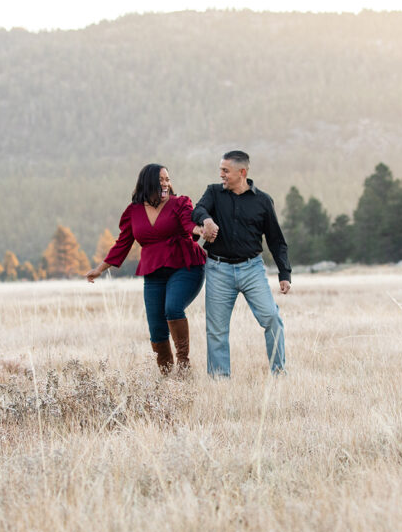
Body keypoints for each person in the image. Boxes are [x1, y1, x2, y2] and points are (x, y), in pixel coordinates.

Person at [86, 163, 207, 374]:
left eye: (167, 179)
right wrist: (99, 269)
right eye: (161, 180)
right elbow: (122, 244)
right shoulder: (133, 212)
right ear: (147, 182)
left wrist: (199, 229)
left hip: (186, 266)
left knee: (172, 308)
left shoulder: (180, 203)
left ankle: (183, 367)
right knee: (156, 326)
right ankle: (167, 376)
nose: (165, 183)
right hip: (154, 272)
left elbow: (189, 224)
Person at [192, 150, 291, 377]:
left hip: (252, 269)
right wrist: (206, 219)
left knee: (272, 318)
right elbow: (197, 210)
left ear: (242, 172)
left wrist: (284, 273)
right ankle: (219, 381)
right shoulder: (214, 192)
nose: (222, 175)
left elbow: (276, 240)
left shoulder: (263, 201)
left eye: (226, 171)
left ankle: (279, 373)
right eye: (221, 170)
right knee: (216, 330)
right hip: (218, 269)